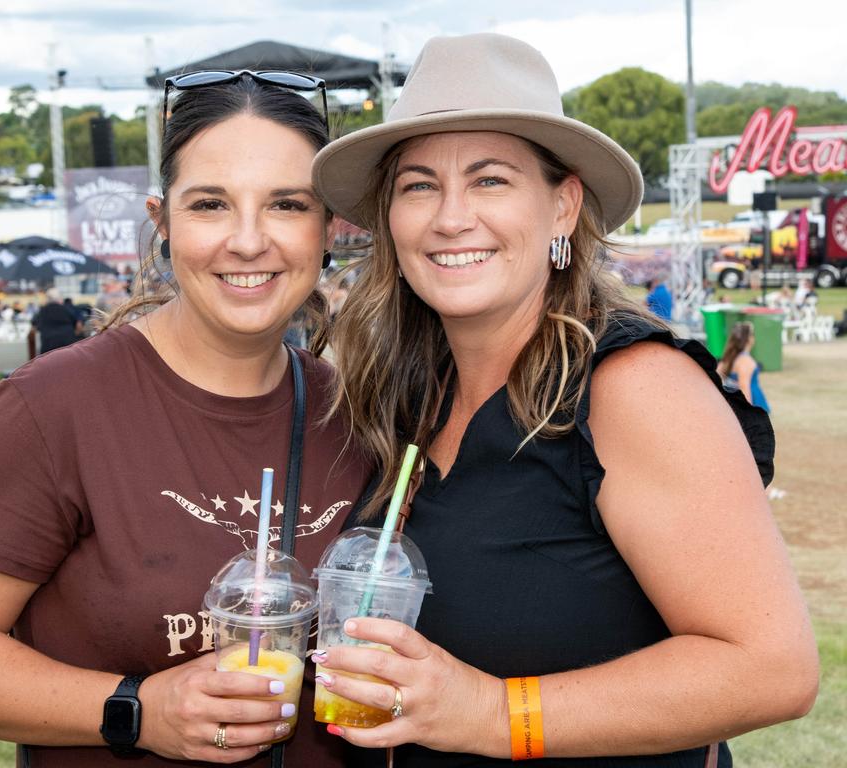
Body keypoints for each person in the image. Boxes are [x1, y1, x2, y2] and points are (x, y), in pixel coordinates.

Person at [311, 33, 816, 767]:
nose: (451, 217)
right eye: (419, 185)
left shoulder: (632, 386)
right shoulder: (413, 388)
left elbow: (771, 669)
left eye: (491, 181)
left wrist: (489, 713)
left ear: (563, 206)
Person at [0, 71, 371, 768]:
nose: (248, 239)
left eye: (287, 204)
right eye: (210, 204)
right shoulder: (51, 409)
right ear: (162, 222)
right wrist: (136, 711)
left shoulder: (357, 416)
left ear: (328, 228)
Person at [717, 322, 770, 413]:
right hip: (752, 403)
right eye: (752, 334)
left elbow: (717, 377)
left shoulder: (728, 358)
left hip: (734, 404)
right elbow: (744, 388)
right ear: (749, 339)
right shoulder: (745, 361)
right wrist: (748, 414)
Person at [28, 288, 81, 355]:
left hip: (48, 348)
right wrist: (74, 335)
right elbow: (78, 325)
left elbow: (33, 327)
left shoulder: (42, 311)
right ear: (60, 299)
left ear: (47, 299)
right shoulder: (67, 310)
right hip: (68, 347)